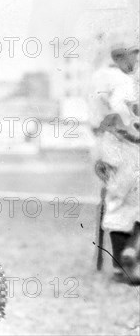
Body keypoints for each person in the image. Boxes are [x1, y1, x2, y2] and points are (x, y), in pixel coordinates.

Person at [90, 30, 140, 284]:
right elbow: (103, 121)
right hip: (120, 149)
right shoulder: (114, 82)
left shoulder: (126, 80)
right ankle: (124, 262)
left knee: (126, 206)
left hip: (124, 150)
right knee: (121, 205)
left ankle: (128, 260)